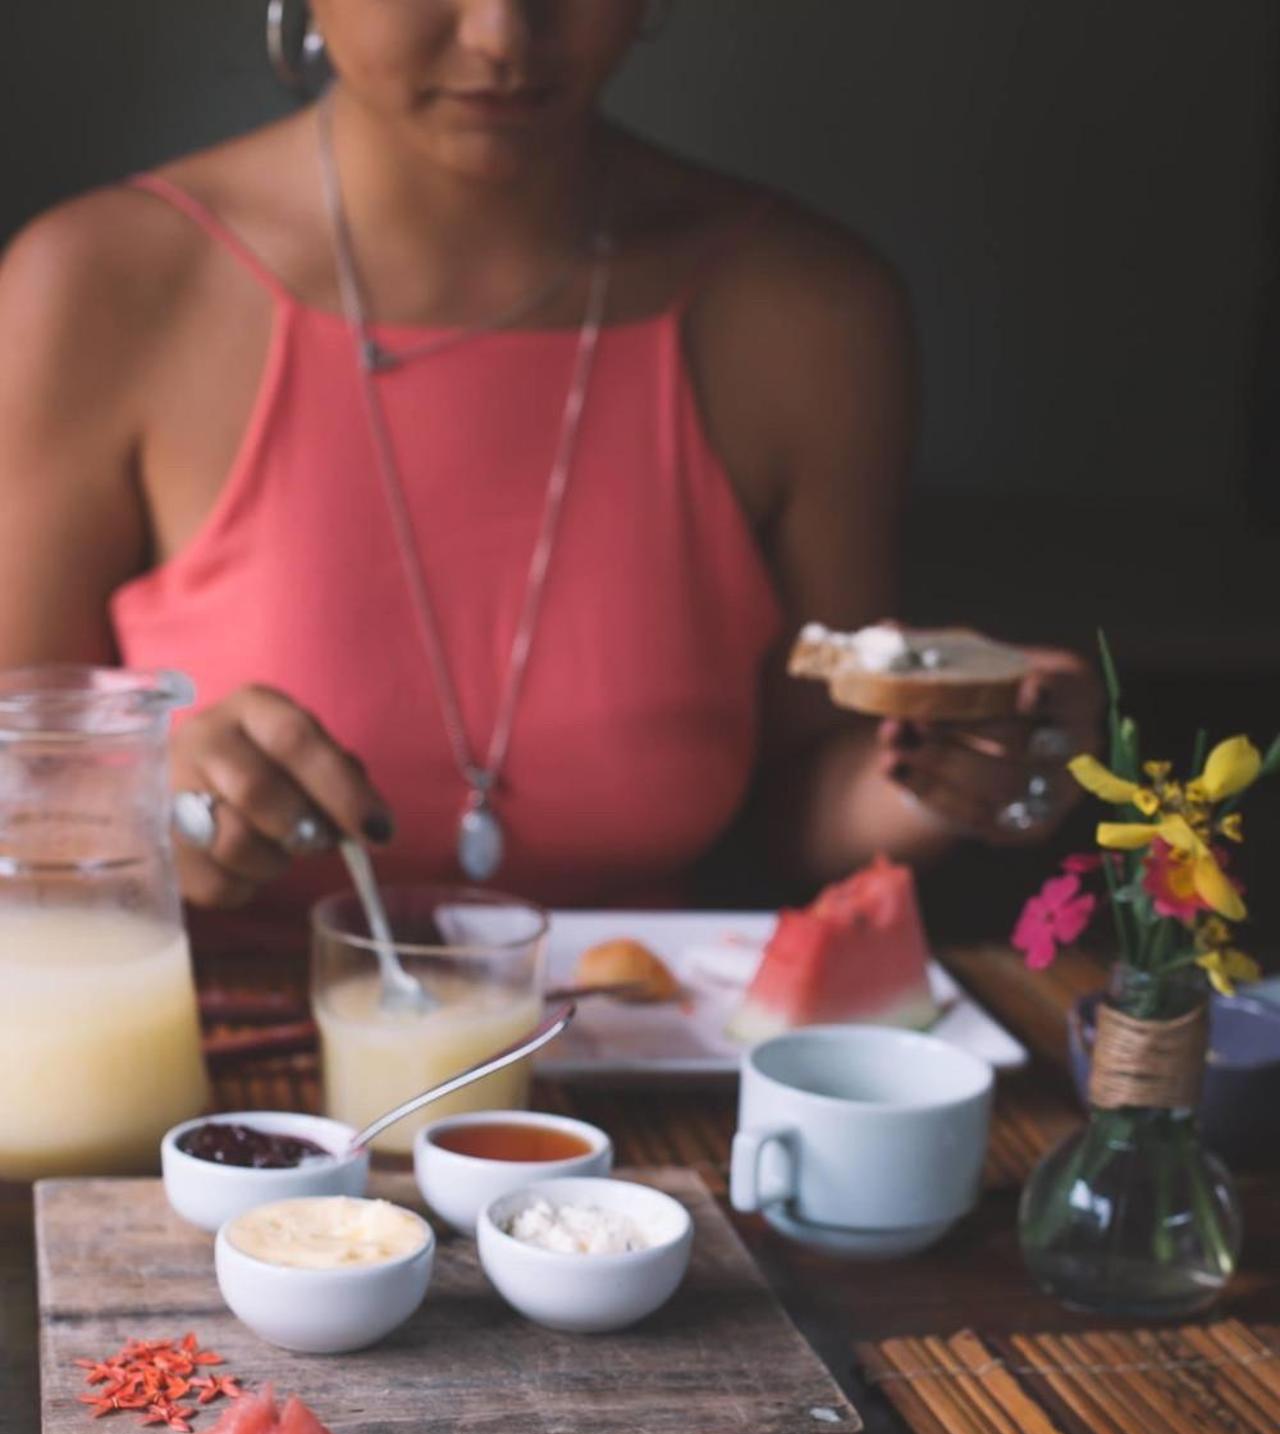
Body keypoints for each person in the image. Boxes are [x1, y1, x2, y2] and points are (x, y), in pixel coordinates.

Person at [0, 0, 1096, 918]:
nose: (503, 35)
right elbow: (13, 785)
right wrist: (151, 808)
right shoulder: (97, 290)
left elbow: (804, 799)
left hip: (646, 1098)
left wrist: (954, 769)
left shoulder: (807, 317)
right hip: (210, 1098)